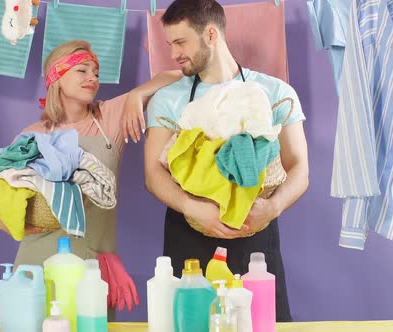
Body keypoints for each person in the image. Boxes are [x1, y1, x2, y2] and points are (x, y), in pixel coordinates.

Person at [126, 0, 309, 321]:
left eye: (181, 42)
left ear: (211, 34)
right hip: (189, 232)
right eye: (170, 44)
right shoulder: (168, 99)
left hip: (256, 232)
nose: (173, 54)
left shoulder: (275, 92)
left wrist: (272, 207)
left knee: (262, 323)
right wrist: (193, 207)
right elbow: (153, 173)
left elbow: (299, 169)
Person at [0, 40, 182, 312]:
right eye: (82, 70)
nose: (93, 77)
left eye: (95, 71)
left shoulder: (108, 118)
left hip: (91, 269)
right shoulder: (33, 134)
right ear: (56, 77)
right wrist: (9, 223)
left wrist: (135, 96)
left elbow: (173, 77)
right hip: (36, 268)